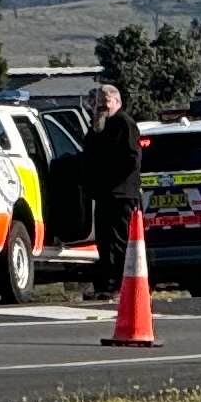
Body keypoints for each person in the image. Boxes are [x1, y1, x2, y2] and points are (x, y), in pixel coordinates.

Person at [82, 83, 142, 272]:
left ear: (117, 101)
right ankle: (107, 284)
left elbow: (132, 158)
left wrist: (113, 181)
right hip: (104, 196)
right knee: (104, 240)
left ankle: (120, 283)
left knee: (119, 241)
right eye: (98, 101)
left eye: (105, 101)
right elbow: (88, 152)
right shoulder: (99, 126)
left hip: (121, 194)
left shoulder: (124, 123)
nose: (101, 105)